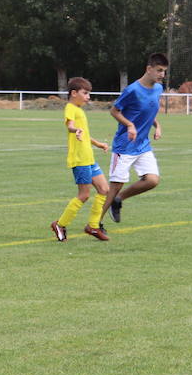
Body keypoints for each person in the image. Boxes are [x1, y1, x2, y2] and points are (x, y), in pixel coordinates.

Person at [102, 53, 169, 225]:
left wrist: (157, 126)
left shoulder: (158, 89)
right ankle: (95, 223)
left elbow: (148, 111)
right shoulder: (132, 90)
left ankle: (119, 200)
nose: (162, 75)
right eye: (159, 70)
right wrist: (130, 125)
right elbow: (114, 111)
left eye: (164, 71)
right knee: (115, 185)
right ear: (149, 69)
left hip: (142, 145)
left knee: (152, 180)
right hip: (125, 145)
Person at [51, 77, 111, 242]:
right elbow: (70, 126)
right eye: (85, 93)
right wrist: (75, 130)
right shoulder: (70, 108)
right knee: (84, 195)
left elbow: (83, 133)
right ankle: (60, 224)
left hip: (89, 158)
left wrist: (98, 144)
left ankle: (92, 226)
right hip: (79, 159)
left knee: (104, 190)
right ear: (74, 93)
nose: (88, 97)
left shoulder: (80, 110)